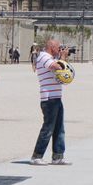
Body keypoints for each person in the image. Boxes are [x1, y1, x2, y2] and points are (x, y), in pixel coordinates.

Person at [30, 38, 71, 166]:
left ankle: (57, 156)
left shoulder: (51, 57)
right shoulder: (44, 56)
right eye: (58, 48)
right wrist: (63, 57)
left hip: (56, 97)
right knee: (48, 128)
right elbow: (58, 68)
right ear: (52, 47)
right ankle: (37, 156)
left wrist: (62, 57)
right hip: (49, 98)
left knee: (59, 128)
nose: (59, 50)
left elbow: (63, 73)